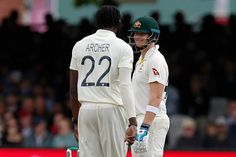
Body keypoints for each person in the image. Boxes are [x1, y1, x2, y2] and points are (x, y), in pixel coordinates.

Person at [69, 5, 137, 157]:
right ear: (118, 24)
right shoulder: (123, 47)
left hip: (86, 110)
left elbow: (73, 89)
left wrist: (76, 120)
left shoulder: (79, 45)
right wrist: (132, 121)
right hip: (111, 109)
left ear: (96, 23)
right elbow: (125, 86)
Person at [128, 16, 170, 157]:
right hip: (142, 120)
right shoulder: (141, 59)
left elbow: (156, 96)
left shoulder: (155, 60)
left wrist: (145, 127)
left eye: (142, 34)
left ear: (152, 36)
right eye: (135, 33)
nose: (137, 37)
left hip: (153, 120)